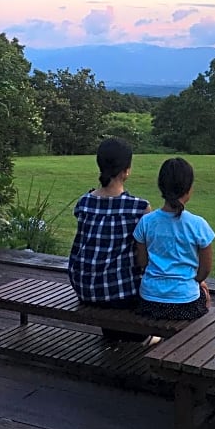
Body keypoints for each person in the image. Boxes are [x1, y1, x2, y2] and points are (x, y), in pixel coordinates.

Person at [68, 137, 151, 341]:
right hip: (120, 292)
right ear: (127, 170)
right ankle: (146, 338)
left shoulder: (85, 202)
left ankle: (117, 335)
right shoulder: (139, 208)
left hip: (84, 287)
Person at [134, 157, 214, 321]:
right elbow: (205, 269)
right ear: (188, 189)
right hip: (185, 302)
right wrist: (196, 283)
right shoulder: (198, 224)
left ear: (161, 186)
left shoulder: (146, 222)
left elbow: (142, 262)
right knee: (205, 299)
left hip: (149, 300)